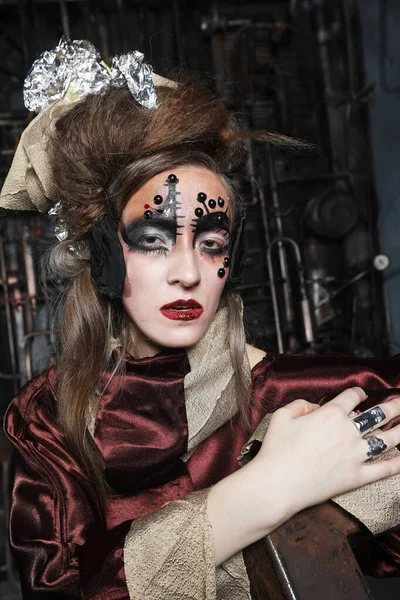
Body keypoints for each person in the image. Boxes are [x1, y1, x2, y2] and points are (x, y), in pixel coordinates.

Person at [1, 37, 400, 600]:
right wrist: (267, 492)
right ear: (103, 255)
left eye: (211, 242)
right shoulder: (44, 421)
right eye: (154, 241)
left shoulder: (290, 393)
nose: (187, 272)